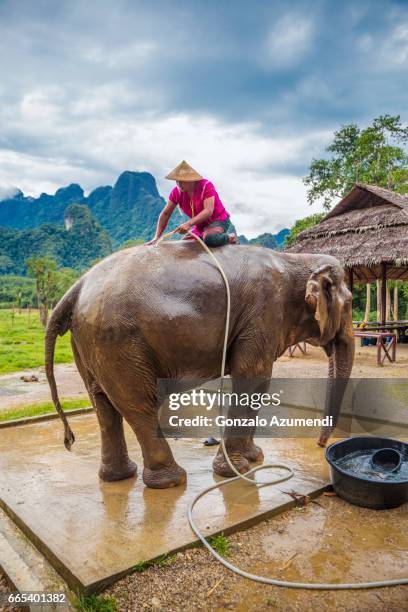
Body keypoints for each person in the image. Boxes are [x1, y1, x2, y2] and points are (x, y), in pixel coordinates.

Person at [146, 160, 237, 246]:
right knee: (184, 245)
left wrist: (188, 224)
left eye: (182, 181)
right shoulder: (176, 192)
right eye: (177, 181)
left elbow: (208, 211)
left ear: (191, 180)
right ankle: (202, 235)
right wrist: (157, 237)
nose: (179, 184)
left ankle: (230, 237)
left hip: (219, 220)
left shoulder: (206, 186)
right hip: (200, 226)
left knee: (209, 239)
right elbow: (166, 213)